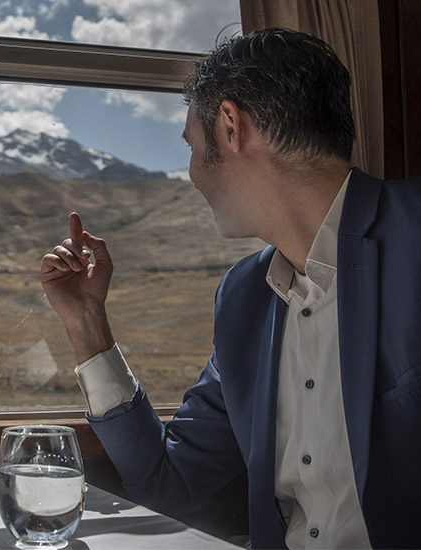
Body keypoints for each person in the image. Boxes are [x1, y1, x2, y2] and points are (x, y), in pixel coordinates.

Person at [41, 28, 420, 549]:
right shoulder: (244, 298)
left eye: (192, 146)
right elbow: (167, 480)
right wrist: (87, 323)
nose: (192, 172)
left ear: (229, 126)